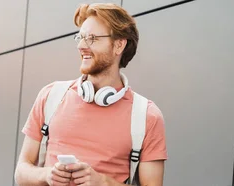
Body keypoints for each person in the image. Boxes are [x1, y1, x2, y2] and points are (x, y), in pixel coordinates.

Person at [15, 3, 167, 186]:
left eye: (92, 38)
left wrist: (102, 182)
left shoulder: (147, 116)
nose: (81, 45)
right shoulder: (50, 96)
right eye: (80, 37)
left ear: (119, 45)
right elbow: (21, 172)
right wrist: (46, 175)